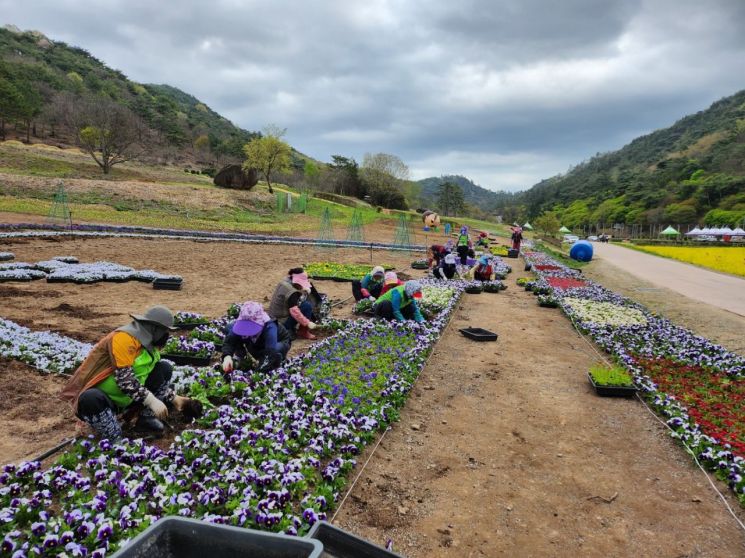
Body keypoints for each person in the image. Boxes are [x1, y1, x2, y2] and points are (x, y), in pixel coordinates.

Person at [60, 305, 201, 440]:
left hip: (127, 399)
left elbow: (147, 374)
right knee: (90, 398)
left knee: (164, 369)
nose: (166, 335)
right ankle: (112, 435)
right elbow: (125, 380)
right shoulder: (124, 339)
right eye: (165, 331)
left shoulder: (149, 344)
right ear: (154, 328)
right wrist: (151, 400)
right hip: (106, 400)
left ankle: (146, 419)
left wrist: (174, 398)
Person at [221, 301, 291, 374]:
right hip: (256, 342)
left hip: (278, 342)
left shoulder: (270, 327)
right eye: (244, 326)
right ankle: (241, 356)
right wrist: (227, 357)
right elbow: (230, 340)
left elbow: (270, 352)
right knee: (229, 329)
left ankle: (279, 360)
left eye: (251, 326)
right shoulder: (244, 319)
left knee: (274, 352)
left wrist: (257, 374)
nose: (247, 329)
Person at [268, 268, 323, 340]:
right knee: (307, 306)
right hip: (281, 321)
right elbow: (294, 311)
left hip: (272, 318)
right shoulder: (292, 292)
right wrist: (307, 323)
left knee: (304, 304)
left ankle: (293, 329)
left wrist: (303, 290)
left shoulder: (286, 281)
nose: (302, 286)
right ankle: (303, 331)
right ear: (297, 282)